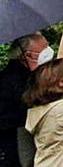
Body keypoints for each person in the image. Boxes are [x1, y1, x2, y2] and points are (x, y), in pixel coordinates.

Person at [0, 34, 53, 167]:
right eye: (44, 47)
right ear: (27, 55)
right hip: (14, 143)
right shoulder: (13, 79)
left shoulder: (30, 75)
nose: (48, 50)